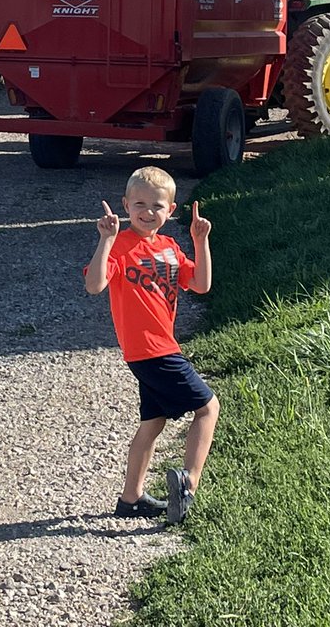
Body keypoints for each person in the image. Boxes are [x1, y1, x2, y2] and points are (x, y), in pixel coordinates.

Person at [84, 165, 220, 524]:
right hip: (152, 350)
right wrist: (106, 240)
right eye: (139, 204)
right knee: (208, 407)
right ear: (125, 205)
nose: (147, 212)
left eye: (157, 206)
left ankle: (131, 499)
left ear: (170, 210)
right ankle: (188, 486)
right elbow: (95, 285)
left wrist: (200, 240)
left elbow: (202, 285)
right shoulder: (120, 247)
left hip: (158, 348)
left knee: (153, 423)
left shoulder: (171, 247)